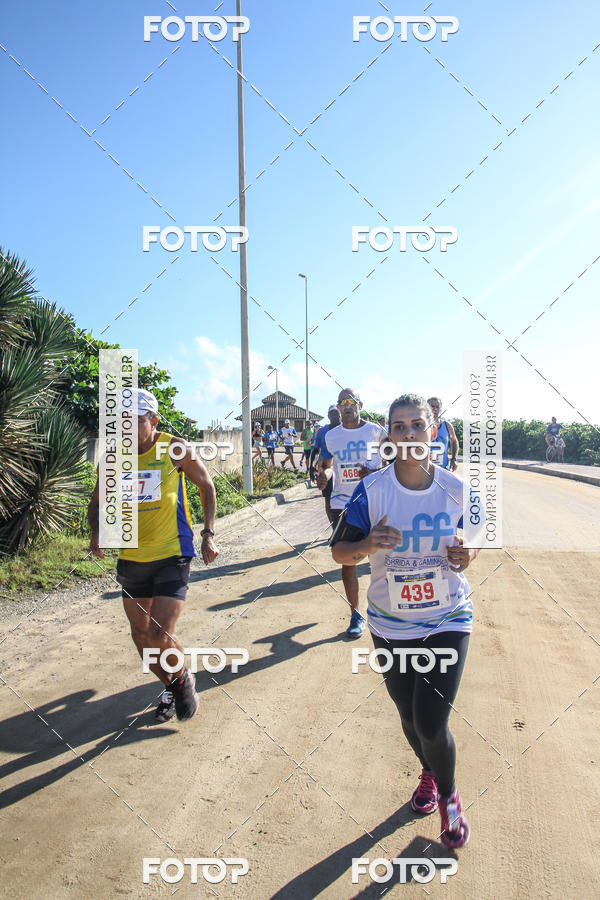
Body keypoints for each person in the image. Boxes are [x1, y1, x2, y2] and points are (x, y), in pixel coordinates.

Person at [330, 393, 480, 849]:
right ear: (389, 437)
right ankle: (431, 771)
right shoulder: (372, 491)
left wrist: (466, 552)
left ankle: (450, 798)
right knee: (409, 718)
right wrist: (368, 545)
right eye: (399, 427)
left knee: (433, 723)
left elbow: (474, 540)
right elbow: (340, 553)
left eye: (417, 425)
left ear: (432, 432)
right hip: (390, 624)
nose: (409, 434)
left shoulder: (456, 489)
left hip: (447, 617)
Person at [88, 389, 219, 723]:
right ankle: (174, 684)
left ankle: (183, 683)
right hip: (132, 556)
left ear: (154, 421)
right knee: (141, 637)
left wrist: (208, 534)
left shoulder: (173, 447)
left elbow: (206, 485)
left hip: (172, 551)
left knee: (160, 635)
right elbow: (96, 501)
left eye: (137, 422)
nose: (128, 431)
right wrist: (96, 535)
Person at [316, 389, 386, 638]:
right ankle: (356, 614)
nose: (346, 406)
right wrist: (324, 476)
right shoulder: (331, 436)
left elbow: (394, 461)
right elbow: (327, 465)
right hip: (343, 503)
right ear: (337, 407)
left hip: (375, 501)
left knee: (384, 556)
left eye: (350, 401)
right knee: (348, 558)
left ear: (360, 404)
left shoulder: (377, 431)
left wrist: (374, 474)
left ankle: (389, 609)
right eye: (342, 403)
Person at [313, 405, 341, 508]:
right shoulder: (322, 432)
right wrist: (312, 468)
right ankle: (333, 524)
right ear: (328, 416)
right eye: (332, 413)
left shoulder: (346, 429)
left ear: (340, 414)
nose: (335, 416)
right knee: (328, 500)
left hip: (343, 469)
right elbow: (316, 450)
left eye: (336, 413)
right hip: (326, 469)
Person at [428, 397, 459, 471]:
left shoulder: (447, 425)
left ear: (440, 410)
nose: (434, 409)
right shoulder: (420, 426)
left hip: (443, 469)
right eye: (432, 406)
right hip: (425, 471)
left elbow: (454, 441)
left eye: (437, 407)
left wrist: (454, 459)